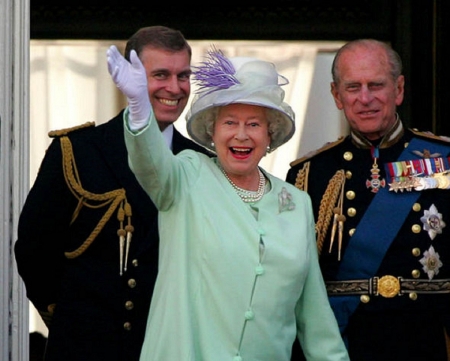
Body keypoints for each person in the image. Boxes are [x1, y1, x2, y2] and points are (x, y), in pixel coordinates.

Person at [107, 44, 350, 361]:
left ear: (269, 135)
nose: (241, 135)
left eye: (254, 124)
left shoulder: (296, 203)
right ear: (212, 131)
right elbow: (150, 166)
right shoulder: (188, 176)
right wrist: (140, 108)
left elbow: (314, 314)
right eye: (229, 122)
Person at [14, 25, 211, 361]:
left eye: (183, 76)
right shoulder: (77, 151)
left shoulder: (204, 164)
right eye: (160, 74)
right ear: (128, 77)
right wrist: (72, 319)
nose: (174, 88)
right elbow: (35, 252)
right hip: (86, 347)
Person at [286, 38, 450, 361]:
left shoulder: (442, 161)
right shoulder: (311, 174)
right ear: (336, 95)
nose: (365, 98)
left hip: (424, 340)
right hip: (345, 344)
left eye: (376, 85)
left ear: (398, 89)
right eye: (352, 87)